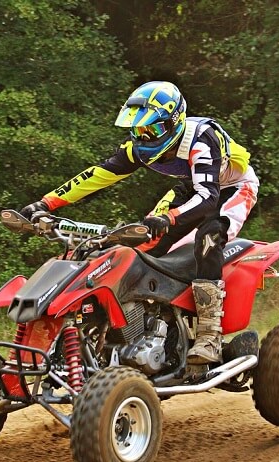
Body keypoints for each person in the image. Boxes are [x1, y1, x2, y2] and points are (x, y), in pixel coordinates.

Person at [20, 81, 259, 364]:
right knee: (145, 241)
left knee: (209, 237)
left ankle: (209, 335)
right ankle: (151, 327)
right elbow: (97, 174)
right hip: (189, 187)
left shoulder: (200, 140)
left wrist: (169, 216)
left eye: (151, 130)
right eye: (138, 129)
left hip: (232, 188)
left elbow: (208, 197)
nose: (144, 138)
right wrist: (47, 203)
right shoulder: (138, 148)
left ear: (174, 122)